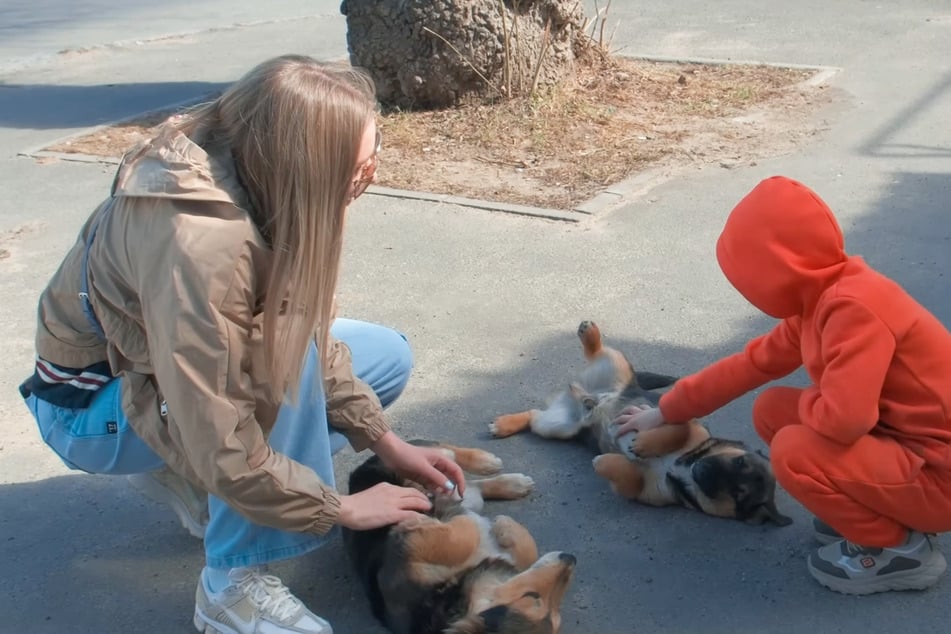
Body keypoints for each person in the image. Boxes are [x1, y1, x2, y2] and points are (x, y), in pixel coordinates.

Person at [19, 55, 465, 634]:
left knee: (384, 356)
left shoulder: (252, 169)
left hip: (157, 382)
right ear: (305, 163)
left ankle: (189, 478)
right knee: (277, 372)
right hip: (87, 407)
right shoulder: (202, 245)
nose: (368, 175)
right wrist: (340, 508)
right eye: (357, 164)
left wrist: (389, 443)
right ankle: (230, 590)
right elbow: (219, 429)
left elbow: (301, 324)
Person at [615, 175, 951, 595]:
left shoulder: (855, 311)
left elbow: (846, 421)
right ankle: (872, 509)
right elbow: (751, 364)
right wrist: (665, 410)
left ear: (777, 269)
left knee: (794, 449)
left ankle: (898, 551)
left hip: (939, 478)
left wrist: (814, 399)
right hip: (909, 450)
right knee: (772, 409)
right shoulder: (822, 299)